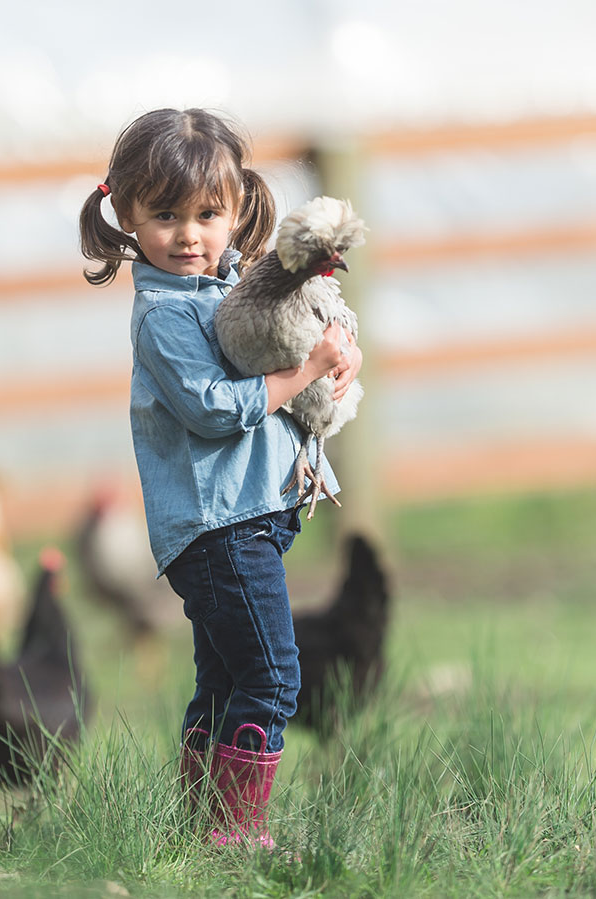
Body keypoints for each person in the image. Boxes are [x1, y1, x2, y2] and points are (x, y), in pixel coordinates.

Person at [78, 108, 362, 848]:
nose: (188, 234)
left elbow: (308, 308)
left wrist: (341, 349)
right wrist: (303, 372)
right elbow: (212, 410)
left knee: (225, 679)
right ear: (128, 216)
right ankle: (235, 830)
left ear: (238, 211)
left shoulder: (235, 284)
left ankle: (201, 825)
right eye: (165, 214)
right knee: (273, 676)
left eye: (208, 213)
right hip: (217, 526)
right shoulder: (164, 315)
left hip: (251, 517)